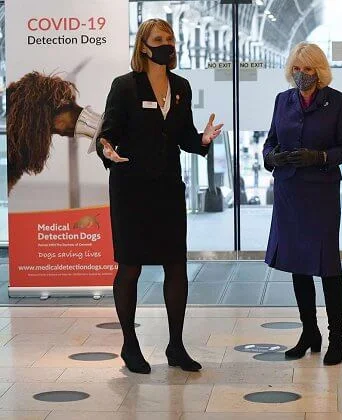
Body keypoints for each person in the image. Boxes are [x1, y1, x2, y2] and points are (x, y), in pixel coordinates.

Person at [97, 19, 223, 374]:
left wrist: (201, 140)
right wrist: (106, 150)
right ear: (143, 46)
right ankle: (129, 344)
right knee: (130, 266)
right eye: (159, 39)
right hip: (131, 190)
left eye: (170, 38)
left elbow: (183, 135)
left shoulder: (181, 86)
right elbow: (107, 134)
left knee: (176, 266)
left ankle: (175, 347)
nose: (166, 43)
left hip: (168, 188)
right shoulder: (124, 86)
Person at [263, 42, 342, 366]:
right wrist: (272, 157)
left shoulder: (339, 102)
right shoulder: (282, 101)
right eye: (297, 69)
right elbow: (270, 141)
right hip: (289, 191)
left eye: (309, 69)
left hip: (321, 193)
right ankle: (309, 332)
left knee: (327, 265)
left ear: (320, 71)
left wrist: (319, 157)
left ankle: (337, 337)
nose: (302, 74)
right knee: (298, 264)